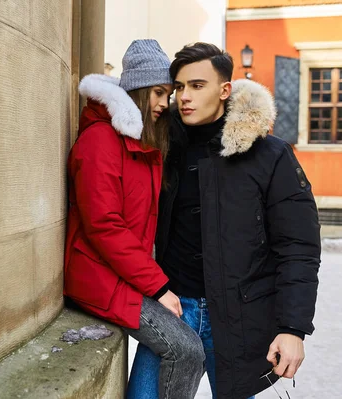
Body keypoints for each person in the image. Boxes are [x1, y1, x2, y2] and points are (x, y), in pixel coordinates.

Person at [126, 42, 321, 399]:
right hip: (172, 308)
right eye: (179, 87)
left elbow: (298, 247)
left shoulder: (270, 155)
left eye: (197, 86)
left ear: (224, 90)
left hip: (238, 317)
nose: (184, 96)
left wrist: (293, 328)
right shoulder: (161, 147)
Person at [64, 39, 205, 399]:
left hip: (124, 274)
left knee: (189, 346)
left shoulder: (141, 141)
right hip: (97, 276)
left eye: (168, 94)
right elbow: (104, 226)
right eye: (159, 93)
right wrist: (158, 286)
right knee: (185, 349)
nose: (164, 103)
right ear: (139, 89)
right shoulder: (100, 141)